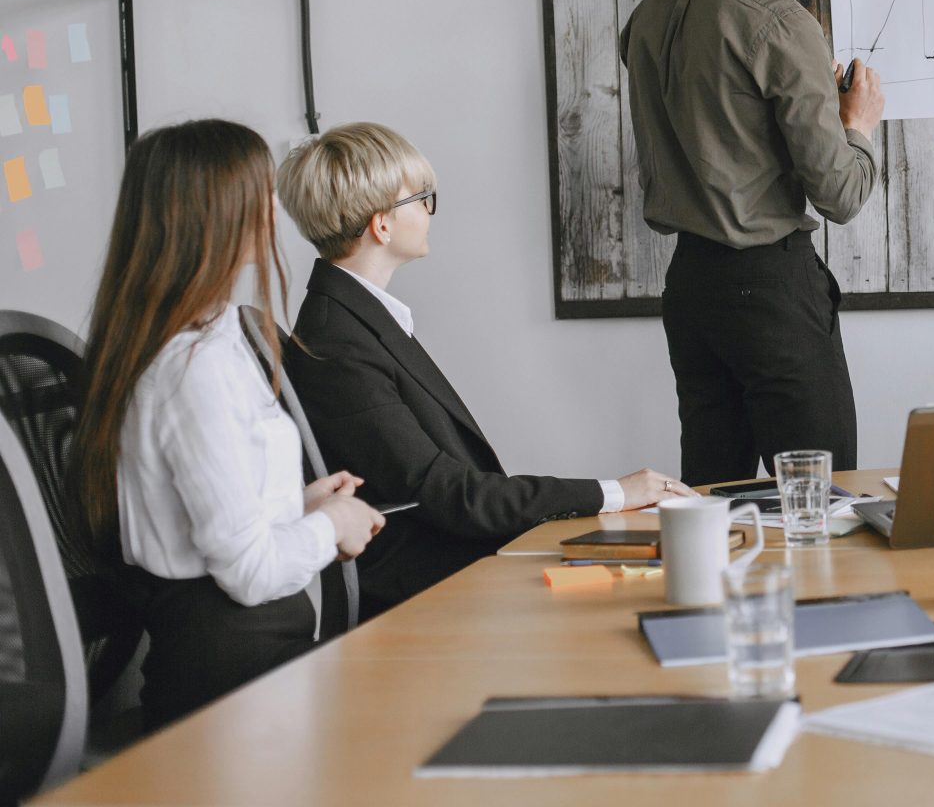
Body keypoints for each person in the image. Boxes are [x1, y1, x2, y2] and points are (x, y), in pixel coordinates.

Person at [277, 122, 694, 616]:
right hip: (427, 595)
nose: (430, 212)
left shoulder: (357, 319)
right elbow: (448, 494)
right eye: (422, 198)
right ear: (382, 225)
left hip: (455, 568)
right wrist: (614, 492)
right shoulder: (338, 342)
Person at [69, 120, 385, 729]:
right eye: (261, 193)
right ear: (215, 215)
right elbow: (249, 573)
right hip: (230, 684)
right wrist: (331, 524)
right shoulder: (192, 370)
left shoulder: (205, 342)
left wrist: (295, 505)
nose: (273, 210)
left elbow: (206, 514)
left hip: (252, 657)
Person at [621, 0, 884, 487]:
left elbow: (719, 124)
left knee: (717, 505)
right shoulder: (777, 20)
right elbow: (842, 193)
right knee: (821, 504)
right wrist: (856, 123)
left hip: (692, 290)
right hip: (768, 288)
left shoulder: (653, 8)